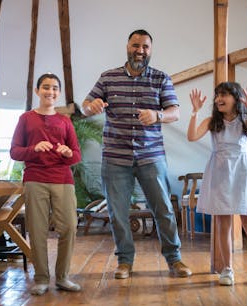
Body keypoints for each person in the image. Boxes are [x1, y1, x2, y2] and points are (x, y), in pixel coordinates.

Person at [82, 29, 191, 279]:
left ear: (150, 50)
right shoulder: (108, 78)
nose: (140, 51)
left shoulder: (161, 79)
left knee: (163, 209)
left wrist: (157, 115)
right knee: (117, 213)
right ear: (127, 46)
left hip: (151, 157)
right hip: (115, 158)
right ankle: (124, 262)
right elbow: (86, 106)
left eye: (145, 47)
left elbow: (175, 111)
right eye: (135, 45)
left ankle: (175, 260)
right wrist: (92, 107)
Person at [187, 82, 247, 287]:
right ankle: (227, 269)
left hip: (241, 173)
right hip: (218, 172)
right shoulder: (212, 121)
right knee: (223, 223)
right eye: (217, 94)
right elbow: (192, 137)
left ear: (235, 98)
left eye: (224, 94)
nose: (219, 98)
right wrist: (194, 112)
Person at [10, 73, 82, 295]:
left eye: (54, 88)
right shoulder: (26, 119)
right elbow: (14, 151)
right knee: (37, 230)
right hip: (35, 179)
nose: (50, 91)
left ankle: (62, 277)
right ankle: (41, 278)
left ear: (58, 93)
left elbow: (76, 155)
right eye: (45, 87)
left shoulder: (65, 121)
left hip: (62, 179)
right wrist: (33, 149)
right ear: (37, 91)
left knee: (69, 227)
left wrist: (68, 152)